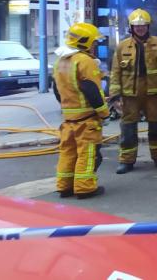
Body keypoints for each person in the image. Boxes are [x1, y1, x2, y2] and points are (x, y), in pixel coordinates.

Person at [109, 9, 157, 174]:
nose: (140, 28)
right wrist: (115, 95)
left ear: (148, 26)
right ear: (131, 27)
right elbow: (115, 72)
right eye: (137, 26)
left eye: (143, 25)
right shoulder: (122, 46)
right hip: (130, 94)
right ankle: (127, 161)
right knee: (128, 128)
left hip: (153, 93)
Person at [52, 22, 110, 199]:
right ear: (85, 42)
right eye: (94, 42)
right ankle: (85, 188)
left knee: (68, 152)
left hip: (68, 119)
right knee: (87, 153)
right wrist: (104, 113)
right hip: (86, 119)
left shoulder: (61, 60)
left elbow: (57, 89)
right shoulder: (85, 61)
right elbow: (91, 89)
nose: (95, 46)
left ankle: (64, 186)